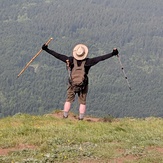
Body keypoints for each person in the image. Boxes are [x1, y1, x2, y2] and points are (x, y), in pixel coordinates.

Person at [42, 43, 118, 120]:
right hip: (83, 85)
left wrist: (46, 49)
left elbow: (58, 55)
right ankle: (81, 118)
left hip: (72, 84)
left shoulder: (70, 60)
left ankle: (65, 116)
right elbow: (101, 58)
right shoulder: (88, 62)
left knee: (69, 99)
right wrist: (113, 53)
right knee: (82, 101)